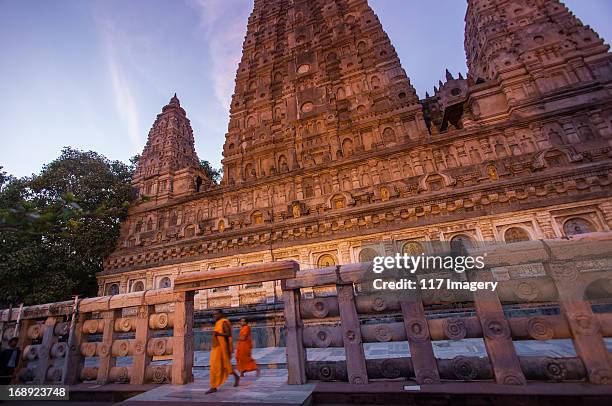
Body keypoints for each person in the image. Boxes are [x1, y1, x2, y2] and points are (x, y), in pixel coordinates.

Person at [206, 309, 239, 394]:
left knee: (223, 366)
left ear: (221, 314)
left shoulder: (224, 322)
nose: (215, 316)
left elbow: (228, 334)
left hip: (221, 348)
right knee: (215, 367)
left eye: (216, 314)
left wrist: (218, 334)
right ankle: (214, 385)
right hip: (216, 348)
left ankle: (214, 386)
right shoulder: (218, 323)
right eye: (214, 314)